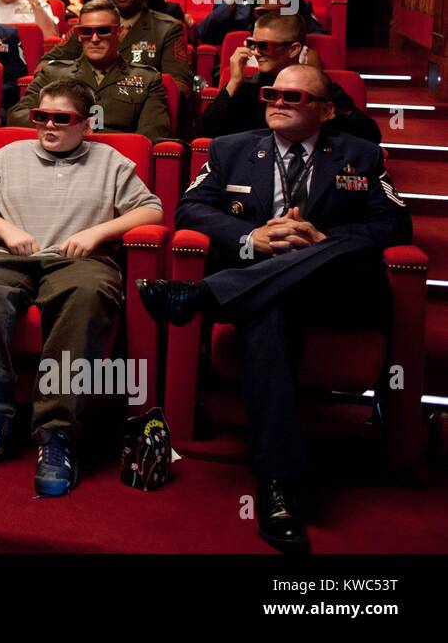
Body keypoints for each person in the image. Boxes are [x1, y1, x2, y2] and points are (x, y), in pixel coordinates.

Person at [139, 63, 411, 552]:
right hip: (263, 288)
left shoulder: (362, 155)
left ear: (326, 110)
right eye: (272, 93)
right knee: (268, 315)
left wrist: (320, 240)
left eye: (294, 97)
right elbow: (191, 209)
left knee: (340, 250)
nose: (279, 102)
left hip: (336, 290)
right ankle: (278, 483)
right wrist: (252, 238)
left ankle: (206, 294)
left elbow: (393, 224)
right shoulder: (230, 149)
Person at [0, 79, 163, 493]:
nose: (48, 125)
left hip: (79, 260)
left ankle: (57, 432)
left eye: (61, 119)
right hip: (12, 255)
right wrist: (5, 230)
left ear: (86, 124)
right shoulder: (9, 154)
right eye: (41, 116)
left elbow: (151, 209)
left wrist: (99, 233)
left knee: (87, 295)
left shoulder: (110, 161)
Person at [198, 13, 380, 143]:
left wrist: (318, 103)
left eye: (264, 46)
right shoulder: (246, 88)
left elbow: (369, 135)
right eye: (252, 44)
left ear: (293, 49)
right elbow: (204, 134)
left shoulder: (319, 89)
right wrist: (234, 82)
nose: (255, 52)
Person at [11, 3, 173, 142]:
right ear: (79, 35)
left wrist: (101, 139)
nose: (94, 38)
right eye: (86, 31)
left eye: (103, 30)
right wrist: (62, 122)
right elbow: (16, 116)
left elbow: (153, 134)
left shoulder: (147, 79)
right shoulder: (53, 73)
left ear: (120, 33)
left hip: (119, 160)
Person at [39, 0, 193, 92]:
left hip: (132, 109)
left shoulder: (167, 29)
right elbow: (46, 63)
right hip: (83, 103)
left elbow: (179, 85)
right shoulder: (89, 23)